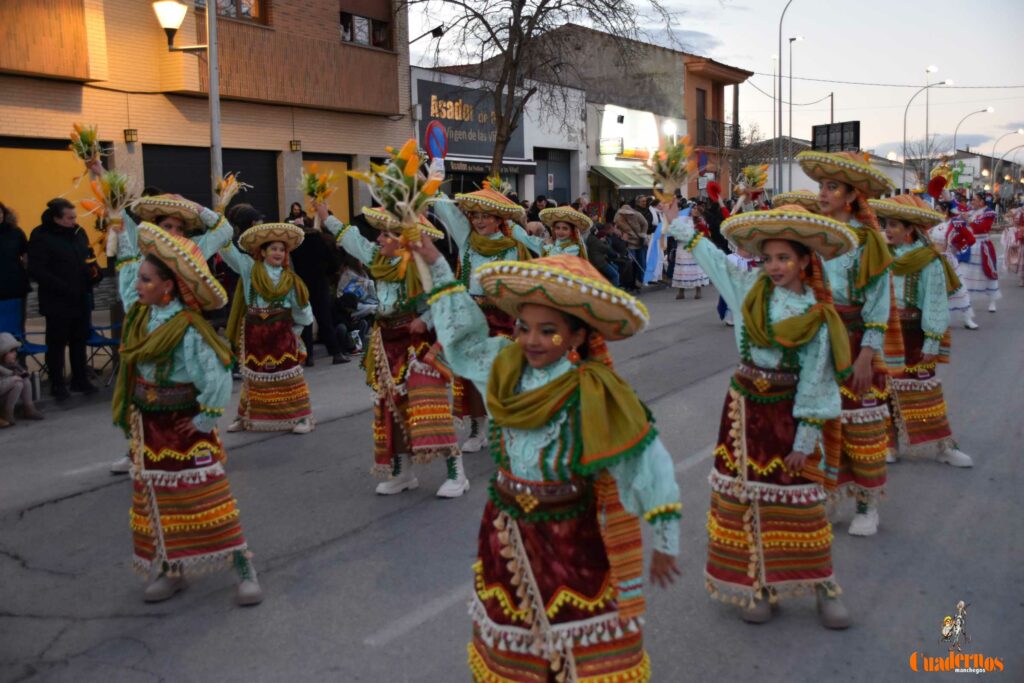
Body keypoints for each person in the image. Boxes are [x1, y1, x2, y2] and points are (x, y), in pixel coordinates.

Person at [407, 235, 682, 680]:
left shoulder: (595, 390)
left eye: (548, 330)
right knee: (516, 641)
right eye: (523, 327)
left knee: (581, 642)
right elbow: (465, 339)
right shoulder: (503, 366)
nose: (531, 340)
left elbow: (643, 464)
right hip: (507, 531)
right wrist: (435, 261)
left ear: (577, 335)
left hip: (573, 536)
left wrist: (666, 540)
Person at [665, 200, 855, 629]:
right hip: (743, 412)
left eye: (784, 258)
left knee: (802, 505)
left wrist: (805, 440)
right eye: (768, 258)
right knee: (747, 502)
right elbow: (711, 258)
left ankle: (825, 587)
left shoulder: (816, 317)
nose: (774, 266)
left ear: (805, 261)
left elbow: (817, 381)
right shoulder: (747, 289)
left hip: (790, 415)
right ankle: (759, 586)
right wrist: (677, 221)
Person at [112, 222, 262, 606]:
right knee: (155, 500)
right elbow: (127, 271)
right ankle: (170, 569)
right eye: (140, 279)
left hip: (183, 424)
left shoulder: (188, 328)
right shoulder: (140, 315)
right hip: (148, 424)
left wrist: (203, 421)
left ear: (168, 286)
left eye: (147, 280)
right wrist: (118, 221)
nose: (138, 285)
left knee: (207, 499)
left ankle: (244, 567)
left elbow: (215, 378)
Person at [316, 201, 468, 498]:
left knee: (428, 409)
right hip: (386, 345)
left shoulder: (422, 267)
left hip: (417, 347)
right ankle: (403, 472)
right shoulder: (376, 260)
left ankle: (457, 473)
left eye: (387, 235)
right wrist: (325, 214)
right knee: (391, 410)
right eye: (381, 233)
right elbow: (352, 238)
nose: (379, 239)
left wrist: (424, 320)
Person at [797, 150, 899, 538]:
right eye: (822, 185)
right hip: (817, 341)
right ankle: (828, 496)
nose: (823, 193)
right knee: (819, 421)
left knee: (861, 425)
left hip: (855, 341)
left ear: (852, 195)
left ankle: (866, 505)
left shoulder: (867, 240)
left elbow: (877, 301)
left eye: (832, 186)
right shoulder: (812, 235)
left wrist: (867, 355)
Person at [433, 177, 541, 453]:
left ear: (498, 219)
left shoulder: (511, 246)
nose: (479, 221)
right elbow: (446, 211)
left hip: (503, 318)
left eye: (485, 216)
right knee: (469, 375)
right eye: (475, 216)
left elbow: (520, 287)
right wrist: (430, 181)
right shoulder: (468, 241)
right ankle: (477, 429)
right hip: (472, 317)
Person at [871, 195, 973, 467]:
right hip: (884, 332)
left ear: (910, 230)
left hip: (913, 333)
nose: (888, 230)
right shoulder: (881, 257)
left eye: (893, 225)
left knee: (922, 391)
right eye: (886, 224)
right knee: (885, 390)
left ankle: (944, 446)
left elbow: (935, 302)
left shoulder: (929, 261)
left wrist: (932, 341)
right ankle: (890, 445)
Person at [221, 223, 316, 434]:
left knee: (289, 375)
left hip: (281, 332)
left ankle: (302, 418)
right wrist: (219, 226)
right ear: (262, 252)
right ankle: (244, 416)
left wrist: (298, 330)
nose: (278, 253)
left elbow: (301, 308)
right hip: (254, 330)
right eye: (273, 248)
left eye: (282, 250)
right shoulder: (248, 268)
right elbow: (228, 252)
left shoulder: (290, 280)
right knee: (252, 375)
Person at [27, 198, 101, 400]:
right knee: (57, 343)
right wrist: (62, 286)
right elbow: (36, 269)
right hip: (57, 299)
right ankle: (57, 384)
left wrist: (95, 272)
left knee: (79, 340)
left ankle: (79, 379)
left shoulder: (78, 233)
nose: (74, 221)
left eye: (75, 217)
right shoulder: (41, 236)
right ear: (56, 218)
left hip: (80, 296)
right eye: (69, 218)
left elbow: (88, 254)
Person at [289, 215, 347, 365]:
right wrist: (327, 274)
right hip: (320, 282)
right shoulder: (318, 239)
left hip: (301, 284)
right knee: (324, 319)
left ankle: (308, 356)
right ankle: (336, 353)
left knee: (306, 320)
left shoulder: (293, 243)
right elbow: (332, 261)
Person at [929, 200, 978, 329]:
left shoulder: (955, 223)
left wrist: (957, 246)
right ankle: (935, 318)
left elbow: (971, 239)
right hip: (933, 260)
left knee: (958, 288)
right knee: (935, 290)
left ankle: (967, 319)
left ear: (945, 211)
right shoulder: (932, 223)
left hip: (948, 260)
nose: (936, 212)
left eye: (938, 210)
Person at [961, 193, 1000, 313]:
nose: (971, 202)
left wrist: (968, 220)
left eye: (974, 200)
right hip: (970, 245)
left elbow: (982, 228)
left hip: (983, 245)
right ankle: (968, 300)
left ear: (981, 202)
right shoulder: (971, 211)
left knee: (988, 272)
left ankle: (992, 301)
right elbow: (955, 208)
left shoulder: (989, 213)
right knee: (967, 272)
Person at [0, 332, 45, 426]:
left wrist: (22, 373)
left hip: (5, 393)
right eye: (11, 352)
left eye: (16, 351)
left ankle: (28, 408)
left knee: (21, 381)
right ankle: (6, 412)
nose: (15, 354)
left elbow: (24, 375)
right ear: (3, 353)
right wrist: (13, 377)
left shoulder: (12, 363)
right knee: (16, 380)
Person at [0, 202, 30, 329]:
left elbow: (25, 254)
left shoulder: (15, 232)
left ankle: (17, 344)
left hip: (14, 284)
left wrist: (25, 271)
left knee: (15, 323)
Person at [672, 202, 710, 299]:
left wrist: (699, 236)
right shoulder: (680, 220)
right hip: (683, 246)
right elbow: (675, 233)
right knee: (682, 269)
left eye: (696, 209)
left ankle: (698, 290)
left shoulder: (700, 220)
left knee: (696, 268)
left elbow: (705, 233)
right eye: (693, 208)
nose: (695, 210)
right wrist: (682, 235)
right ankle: (681, 291)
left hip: (695, 246)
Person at [612, 199, 648, 292]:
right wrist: (620, 234)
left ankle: (640, 281)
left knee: (641, 262)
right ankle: (631, 282)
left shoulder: (637, 215)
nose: (627, 215)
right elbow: (615, 228)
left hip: (640, 241)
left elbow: (645, 224)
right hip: (629, 243)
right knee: (631, 263)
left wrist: (643, 234)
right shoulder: (618, 218)